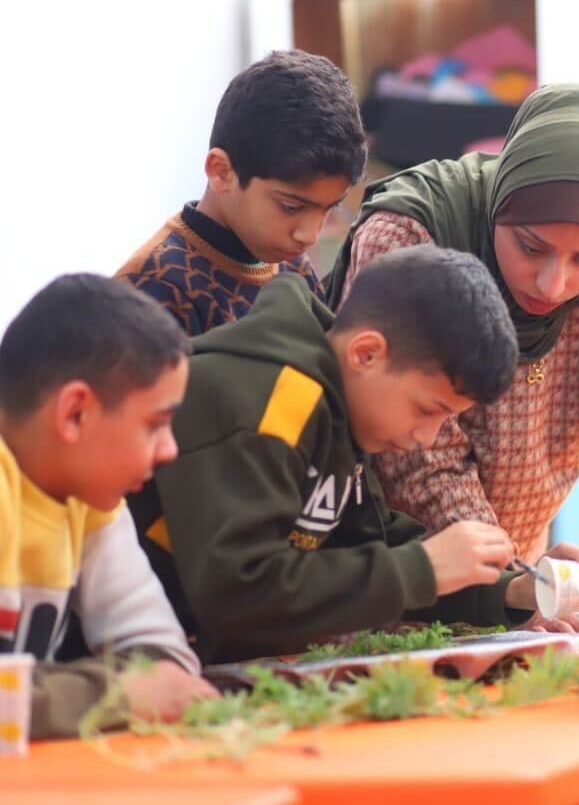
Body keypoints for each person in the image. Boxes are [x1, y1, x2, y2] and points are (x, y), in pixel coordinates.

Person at [325, 83, 579, 575]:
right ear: (500, 202)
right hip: (389, 570)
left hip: (513, 568)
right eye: (530, 247)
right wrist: (515, 587)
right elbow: (418, 457)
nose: (553, 284)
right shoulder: (415, 233)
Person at [128, 245, 546, 664]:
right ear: (367, 353)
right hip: (125, 670)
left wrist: (513, 590)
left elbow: (372, 542)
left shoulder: (341, 412)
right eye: (427, 409)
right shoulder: (273, 401)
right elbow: (239, 590)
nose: (426, 436)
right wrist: (422, 568)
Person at [0, 275, 213, 738]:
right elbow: (149, 690)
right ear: (75, 413)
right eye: (156, 424)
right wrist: (118, 696)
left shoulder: (90, 499)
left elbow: (166, 661)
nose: (169, 450)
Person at [117, 50, 366, 335]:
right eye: (291, 207)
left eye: (329, 209)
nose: (309, 236)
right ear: (221, 171)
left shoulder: (293, 271)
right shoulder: (150, 292)